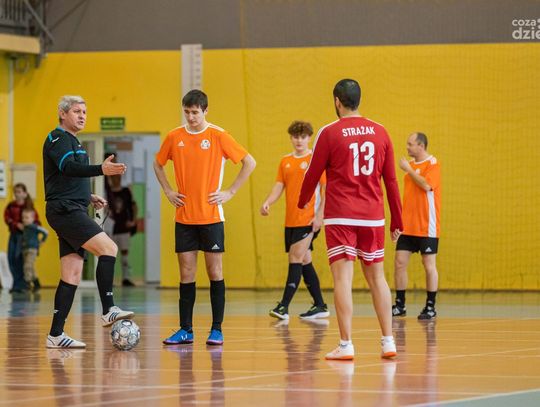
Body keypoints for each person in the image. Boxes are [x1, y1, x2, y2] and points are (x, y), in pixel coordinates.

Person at [298, 79, 403, 360]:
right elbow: (391, 180)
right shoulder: (381, 132)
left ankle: (346, 345)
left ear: (337, 101)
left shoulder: (329, 132)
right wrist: (397, 220)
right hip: (373, 216)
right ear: (359, 99)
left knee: (343, 279)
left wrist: (302, 200)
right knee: (377, 278)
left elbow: (312, 173)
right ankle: (388, 342)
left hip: (341, 215)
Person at [154, 89, 256, 346]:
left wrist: (230, 191)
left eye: (195, 113)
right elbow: (158, 163)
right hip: (184, 217)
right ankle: (185, 330)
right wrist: (168, 190)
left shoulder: (219, 135)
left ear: (205, 111)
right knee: (186, 273)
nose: (191, 117)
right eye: (187, 112)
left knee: (214, 272)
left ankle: (217, 329)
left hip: (211, 217)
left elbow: (249, 162)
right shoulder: (174, 136)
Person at [43, 95, 134, 349]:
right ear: (62, 113)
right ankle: (108, 309)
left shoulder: (75, 141)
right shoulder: (57, 138)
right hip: (65, 210)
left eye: (84, 112)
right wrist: (100, 170)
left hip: (73, 207)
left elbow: (68, 178)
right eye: (76, 111)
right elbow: (68, 168)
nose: (82, 116)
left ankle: (55, 335)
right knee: (109, 248)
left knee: (71, 274)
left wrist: (88, 196)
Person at [260, 120, 329, 320]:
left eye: (303, 137)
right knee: (305, 260)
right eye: (296, 137)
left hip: (308, 219)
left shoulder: (315, 160)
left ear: (309, 138)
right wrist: (268, 202)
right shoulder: (285, 161)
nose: (299, 141)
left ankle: (283, 306)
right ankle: (320, 305)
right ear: (291, 138)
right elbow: (279, 186)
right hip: (291, 220)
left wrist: (320, 216)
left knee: (295, 258)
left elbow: (326, 189)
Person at [392, 132, 441, 320]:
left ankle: (430, 307)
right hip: (408, 226)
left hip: (427, 225)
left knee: (428, 265)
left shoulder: (432, 164)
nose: (407, 147)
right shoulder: (410, 166)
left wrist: (409, 170)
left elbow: (427, 185)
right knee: (399, 262)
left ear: (421, 146)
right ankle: (400, 305)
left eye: (410, 144)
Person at [3, 183, 41, 293]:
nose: (17, 194)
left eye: (19, 192)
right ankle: (16, 284)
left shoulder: (29, 207)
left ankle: (22, 285)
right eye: (15, 192)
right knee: (11, 258)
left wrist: (28, 226)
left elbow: (37, 222)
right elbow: (7, 218)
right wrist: (16, 224)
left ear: (24, 193)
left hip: (24, 237)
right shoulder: (11, 206)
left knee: (20, 259)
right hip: (14, 234)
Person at [106, 174, 138, 287]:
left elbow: (134, 206)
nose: (117, 179)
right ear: (111, 178)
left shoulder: (126, 191)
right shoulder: (107, 192)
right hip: (111, 228)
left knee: (125, 254)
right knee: (109, 254)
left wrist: (133, 220)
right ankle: (109, 280)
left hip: (124, 227)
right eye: (114, 177)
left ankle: (126, 278)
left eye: (119, 177)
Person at [21, 208, 48, 291]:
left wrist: (42, 241)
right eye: (23, 217)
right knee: (31, 267)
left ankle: (27, 283)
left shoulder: (34, 227)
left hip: (32, 249)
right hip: (25, 249)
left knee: (27, 266)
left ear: (32, 219)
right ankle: (36, 284)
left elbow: (45, 232)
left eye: (27, 217)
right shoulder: (25, 228)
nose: (24, 219)